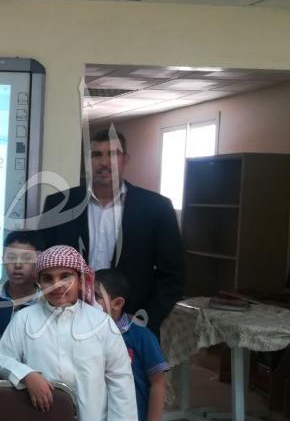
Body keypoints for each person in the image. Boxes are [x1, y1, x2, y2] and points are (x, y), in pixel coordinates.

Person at [38, 127, 184, 336]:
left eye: (113, 154)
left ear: (125, 160)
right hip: (64, 319)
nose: (105, 162)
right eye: (96, 154)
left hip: (130, 324)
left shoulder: (157, 208)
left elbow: (172, 275)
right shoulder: (58, 204)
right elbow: (43, 261)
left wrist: (146, 318)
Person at [0, 245, 138, 421]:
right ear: (39, 283)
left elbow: (120, 380)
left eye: (65, 276)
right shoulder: (24, 318)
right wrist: (26, 375)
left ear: (81, 280)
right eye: (48, 278)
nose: (57, 284)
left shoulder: (101, 322)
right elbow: (2, 358)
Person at [95, 268, 169, 421]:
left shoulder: (141, 336)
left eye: (96, 296)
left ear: (117, 303)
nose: (88, 301)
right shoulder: (82, 333)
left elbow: (158, 382)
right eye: (85, 295)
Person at [0, 230, 43, 336]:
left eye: (26, 258)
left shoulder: (47, 300)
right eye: (11, 258)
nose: (17, 264)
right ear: (3, 259)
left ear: (39, 261)